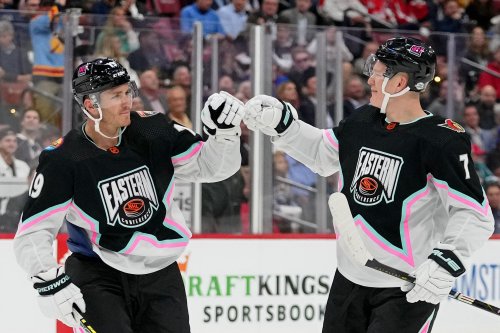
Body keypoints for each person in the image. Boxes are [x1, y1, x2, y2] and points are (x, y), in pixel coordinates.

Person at [243, 37, 495, 332]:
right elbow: (323, 154)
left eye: (378, 72)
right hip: (350, 279)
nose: (370, 78)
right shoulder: (364, 119)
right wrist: (284, 126)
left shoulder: (442, 140)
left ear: (400, 82)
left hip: (406, 292)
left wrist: (445, 261)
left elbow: (474, 214)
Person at [13, 58, 245, 332]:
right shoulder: (65, 158)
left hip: (161, 273)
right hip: (98, 274)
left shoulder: (153, 129)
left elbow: (212, 167)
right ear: (90, 105)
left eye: (127, 92)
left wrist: (226, 135)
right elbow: (33, 231)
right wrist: (47, 278)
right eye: (116, 96)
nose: (127, 102)